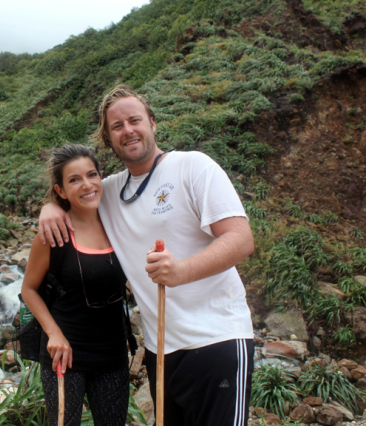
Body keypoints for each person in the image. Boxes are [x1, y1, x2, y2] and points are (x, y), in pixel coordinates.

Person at [38, 85, 255, 426]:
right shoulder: (109, 191)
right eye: (117, 126)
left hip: (217, 340)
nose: (128, 130)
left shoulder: (193, 167)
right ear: (108, 139)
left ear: (152, 123)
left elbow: (241, 239)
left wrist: (181, 271)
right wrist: (50, 207)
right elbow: (75, 192)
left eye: (134, 120)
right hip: (160, 352)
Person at [21, 144, 130, 426]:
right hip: (65, 351)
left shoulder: (118, 222)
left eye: (92, 175)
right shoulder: (53, 233)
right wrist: (54, 334)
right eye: (74, 180)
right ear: (60, 190)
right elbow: (28, 289)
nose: (87, 185)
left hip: (112, 351)